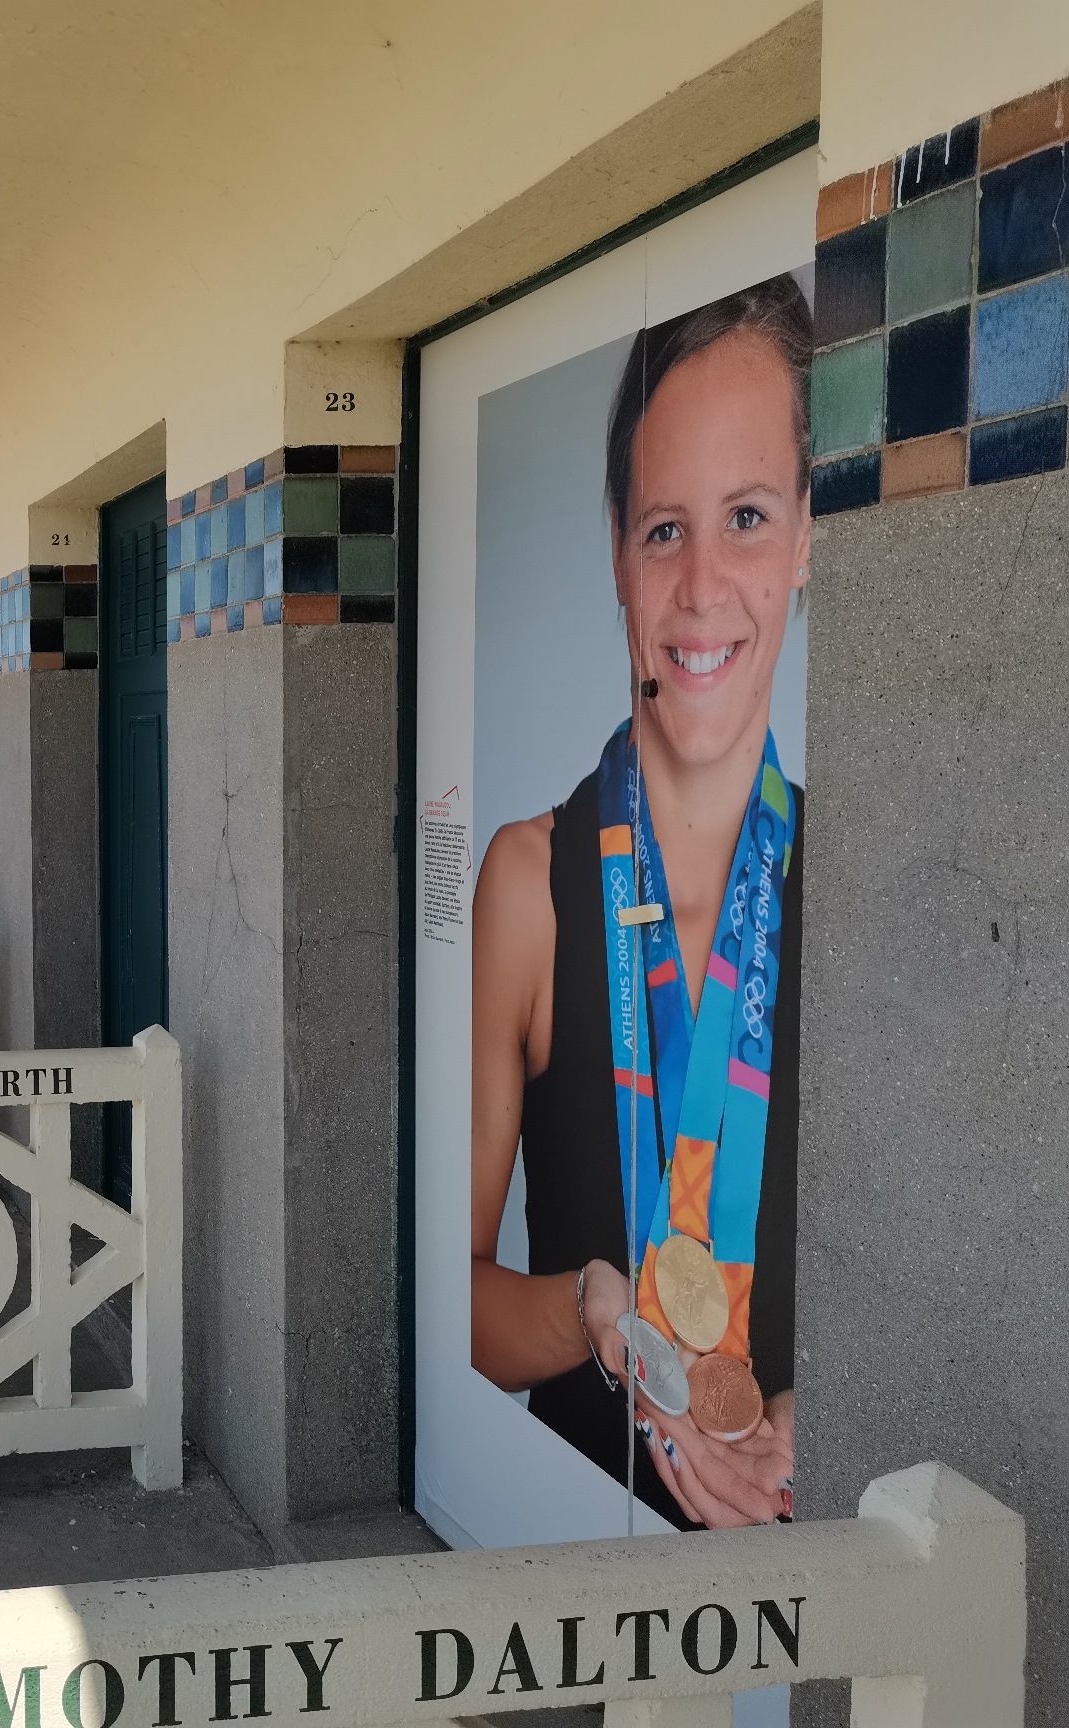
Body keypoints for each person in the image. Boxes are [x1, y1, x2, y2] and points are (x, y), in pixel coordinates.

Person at [471, 278, 808, 1531]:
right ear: (617, 550)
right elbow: (447, 1306)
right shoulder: (529, 884)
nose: (704, 586)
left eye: (748, 517)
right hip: (567, 1572)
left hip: (805, 1580)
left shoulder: (864, 885)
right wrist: (593, 1313)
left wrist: (815, 1415)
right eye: (666, 530)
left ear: (809, 536)